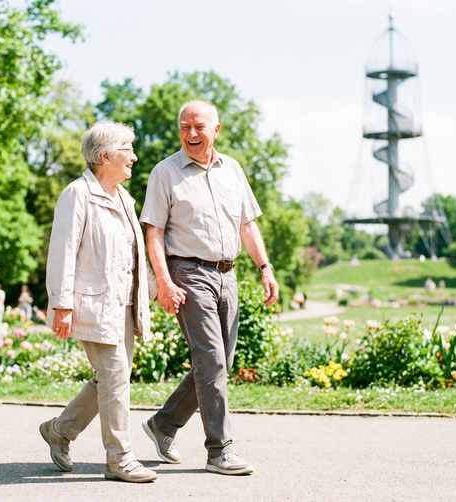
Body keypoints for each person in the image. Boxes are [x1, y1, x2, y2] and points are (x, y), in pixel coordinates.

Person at [139, 100, 279, 476]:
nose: (191, 134)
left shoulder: (231, 169)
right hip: (187, 273)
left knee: (220, 362)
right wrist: (164, 282)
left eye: (199, 126)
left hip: (227, 275)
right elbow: (153, 232)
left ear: (216, 130)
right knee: (212, 362)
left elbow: (247, 225)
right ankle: (220, 451)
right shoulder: (164, 173)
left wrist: (265, 268)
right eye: (185, 127)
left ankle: (163, 424)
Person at [39, 121, 157, 483]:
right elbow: (62, 251)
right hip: (92, 304)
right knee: (115, 376)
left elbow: (133, 257)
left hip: (123, 305)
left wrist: (156, 290)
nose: (134, 157)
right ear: (105, 156)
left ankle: (59, 430)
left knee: (109, 379)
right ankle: (119, 459)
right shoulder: (78, 194)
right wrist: (61, 305)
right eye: (128, 149)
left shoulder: (123, 198)